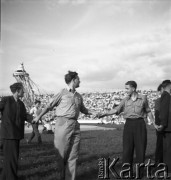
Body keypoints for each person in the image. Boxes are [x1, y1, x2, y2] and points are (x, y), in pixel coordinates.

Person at [32, 71, 97, 180]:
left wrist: (94, 112)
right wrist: (38, 117)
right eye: (78, 79)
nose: (80, 81)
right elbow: (49, 106)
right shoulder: (62, 93)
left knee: (74, 156)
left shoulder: (79, 96)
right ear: (73, 80)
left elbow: (84, 109)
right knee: (61, 154)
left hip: (75, 125)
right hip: (63, 124)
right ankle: (61, 177)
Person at [97, 81, 157, 178]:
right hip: (128, 124)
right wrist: (104, 113)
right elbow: (116, 110)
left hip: (140, 124)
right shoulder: (125, 100)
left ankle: (139, 173)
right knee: (127, 150)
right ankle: (126, 173)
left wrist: (154, 123)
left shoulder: (143, 98)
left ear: (133, 88)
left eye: (127, 88)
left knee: (140, 149)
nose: (126, 90)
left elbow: (148, 111)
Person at [0, 82, 33, 180]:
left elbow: (25, 116)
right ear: (18, 91)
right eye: (23, 89)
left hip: (17, 135)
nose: (24, 91)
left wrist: (35, 119)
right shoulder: (6, 100)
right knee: (11, 159)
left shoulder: (21, 104)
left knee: (11, 159)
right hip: (8, 134)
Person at [158, 80, 171, 174]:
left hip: (168, 127)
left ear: (163, 88)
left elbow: (164, 111)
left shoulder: (165, 95)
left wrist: (162, 124)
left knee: (167, 149)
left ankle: (168, 170)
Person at [154, 84, 164, 164]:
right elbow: (157, 115)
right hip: (161, 126)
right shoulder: (158, 101)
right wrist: (158, 126)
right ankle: (159, 162)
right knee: (160, 144)